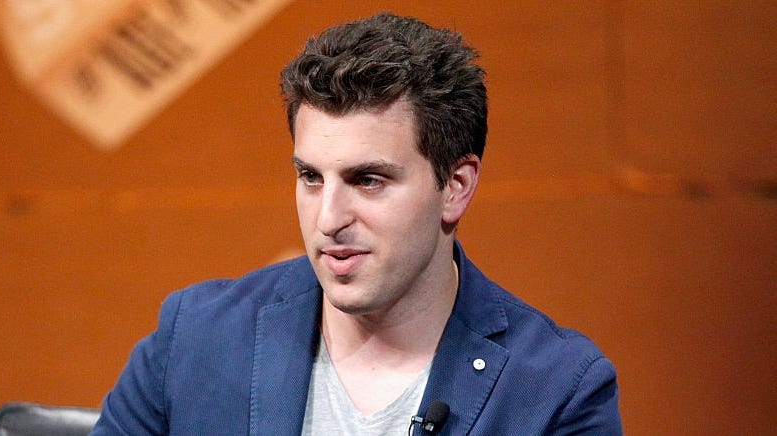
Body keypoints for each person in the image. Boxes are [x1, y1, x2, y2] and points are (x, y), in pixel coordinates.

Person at [91, 12, 621, 435]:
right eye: (310, 177)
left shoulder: (556, 391)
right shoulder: (194, 338)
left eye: (368, 180)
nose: (328, 220)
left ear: (456, 186)